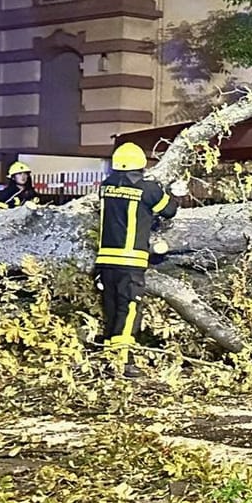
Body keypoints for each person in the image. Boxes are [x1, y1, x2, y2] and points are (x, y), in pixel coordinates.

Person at [94, 143, 186, 350]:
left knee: (112, 307)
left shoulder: (106, 186)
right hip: (131, 259)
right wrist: (173, 193)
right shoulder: (148, 188)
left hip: (105, 259)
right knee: (129, 307)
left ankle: (109, 354)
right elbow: (169, 210)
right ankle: (123, 358)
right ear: (141, 164)